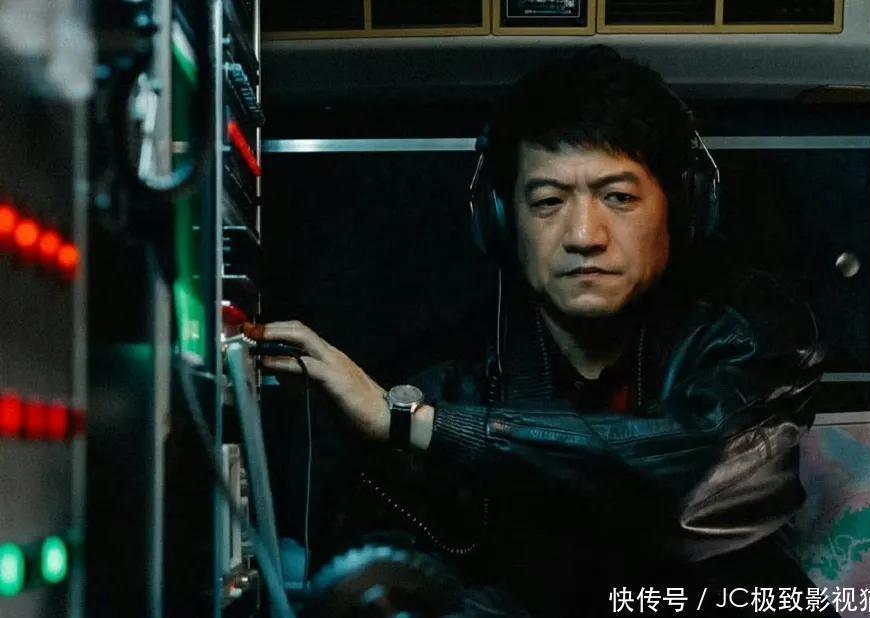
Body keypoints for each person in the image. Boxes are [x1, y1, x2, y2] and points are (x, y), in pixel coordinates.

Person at [247, 46, 838, 617]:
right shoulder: (451, 378)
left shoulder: (753, 335)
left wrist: (422, 425)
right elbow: (385, 569)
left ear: (679, 208)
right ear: (503, 222)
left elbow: (685, 491)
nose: (584, 236)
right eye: (549, 201)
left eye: (618, 197)